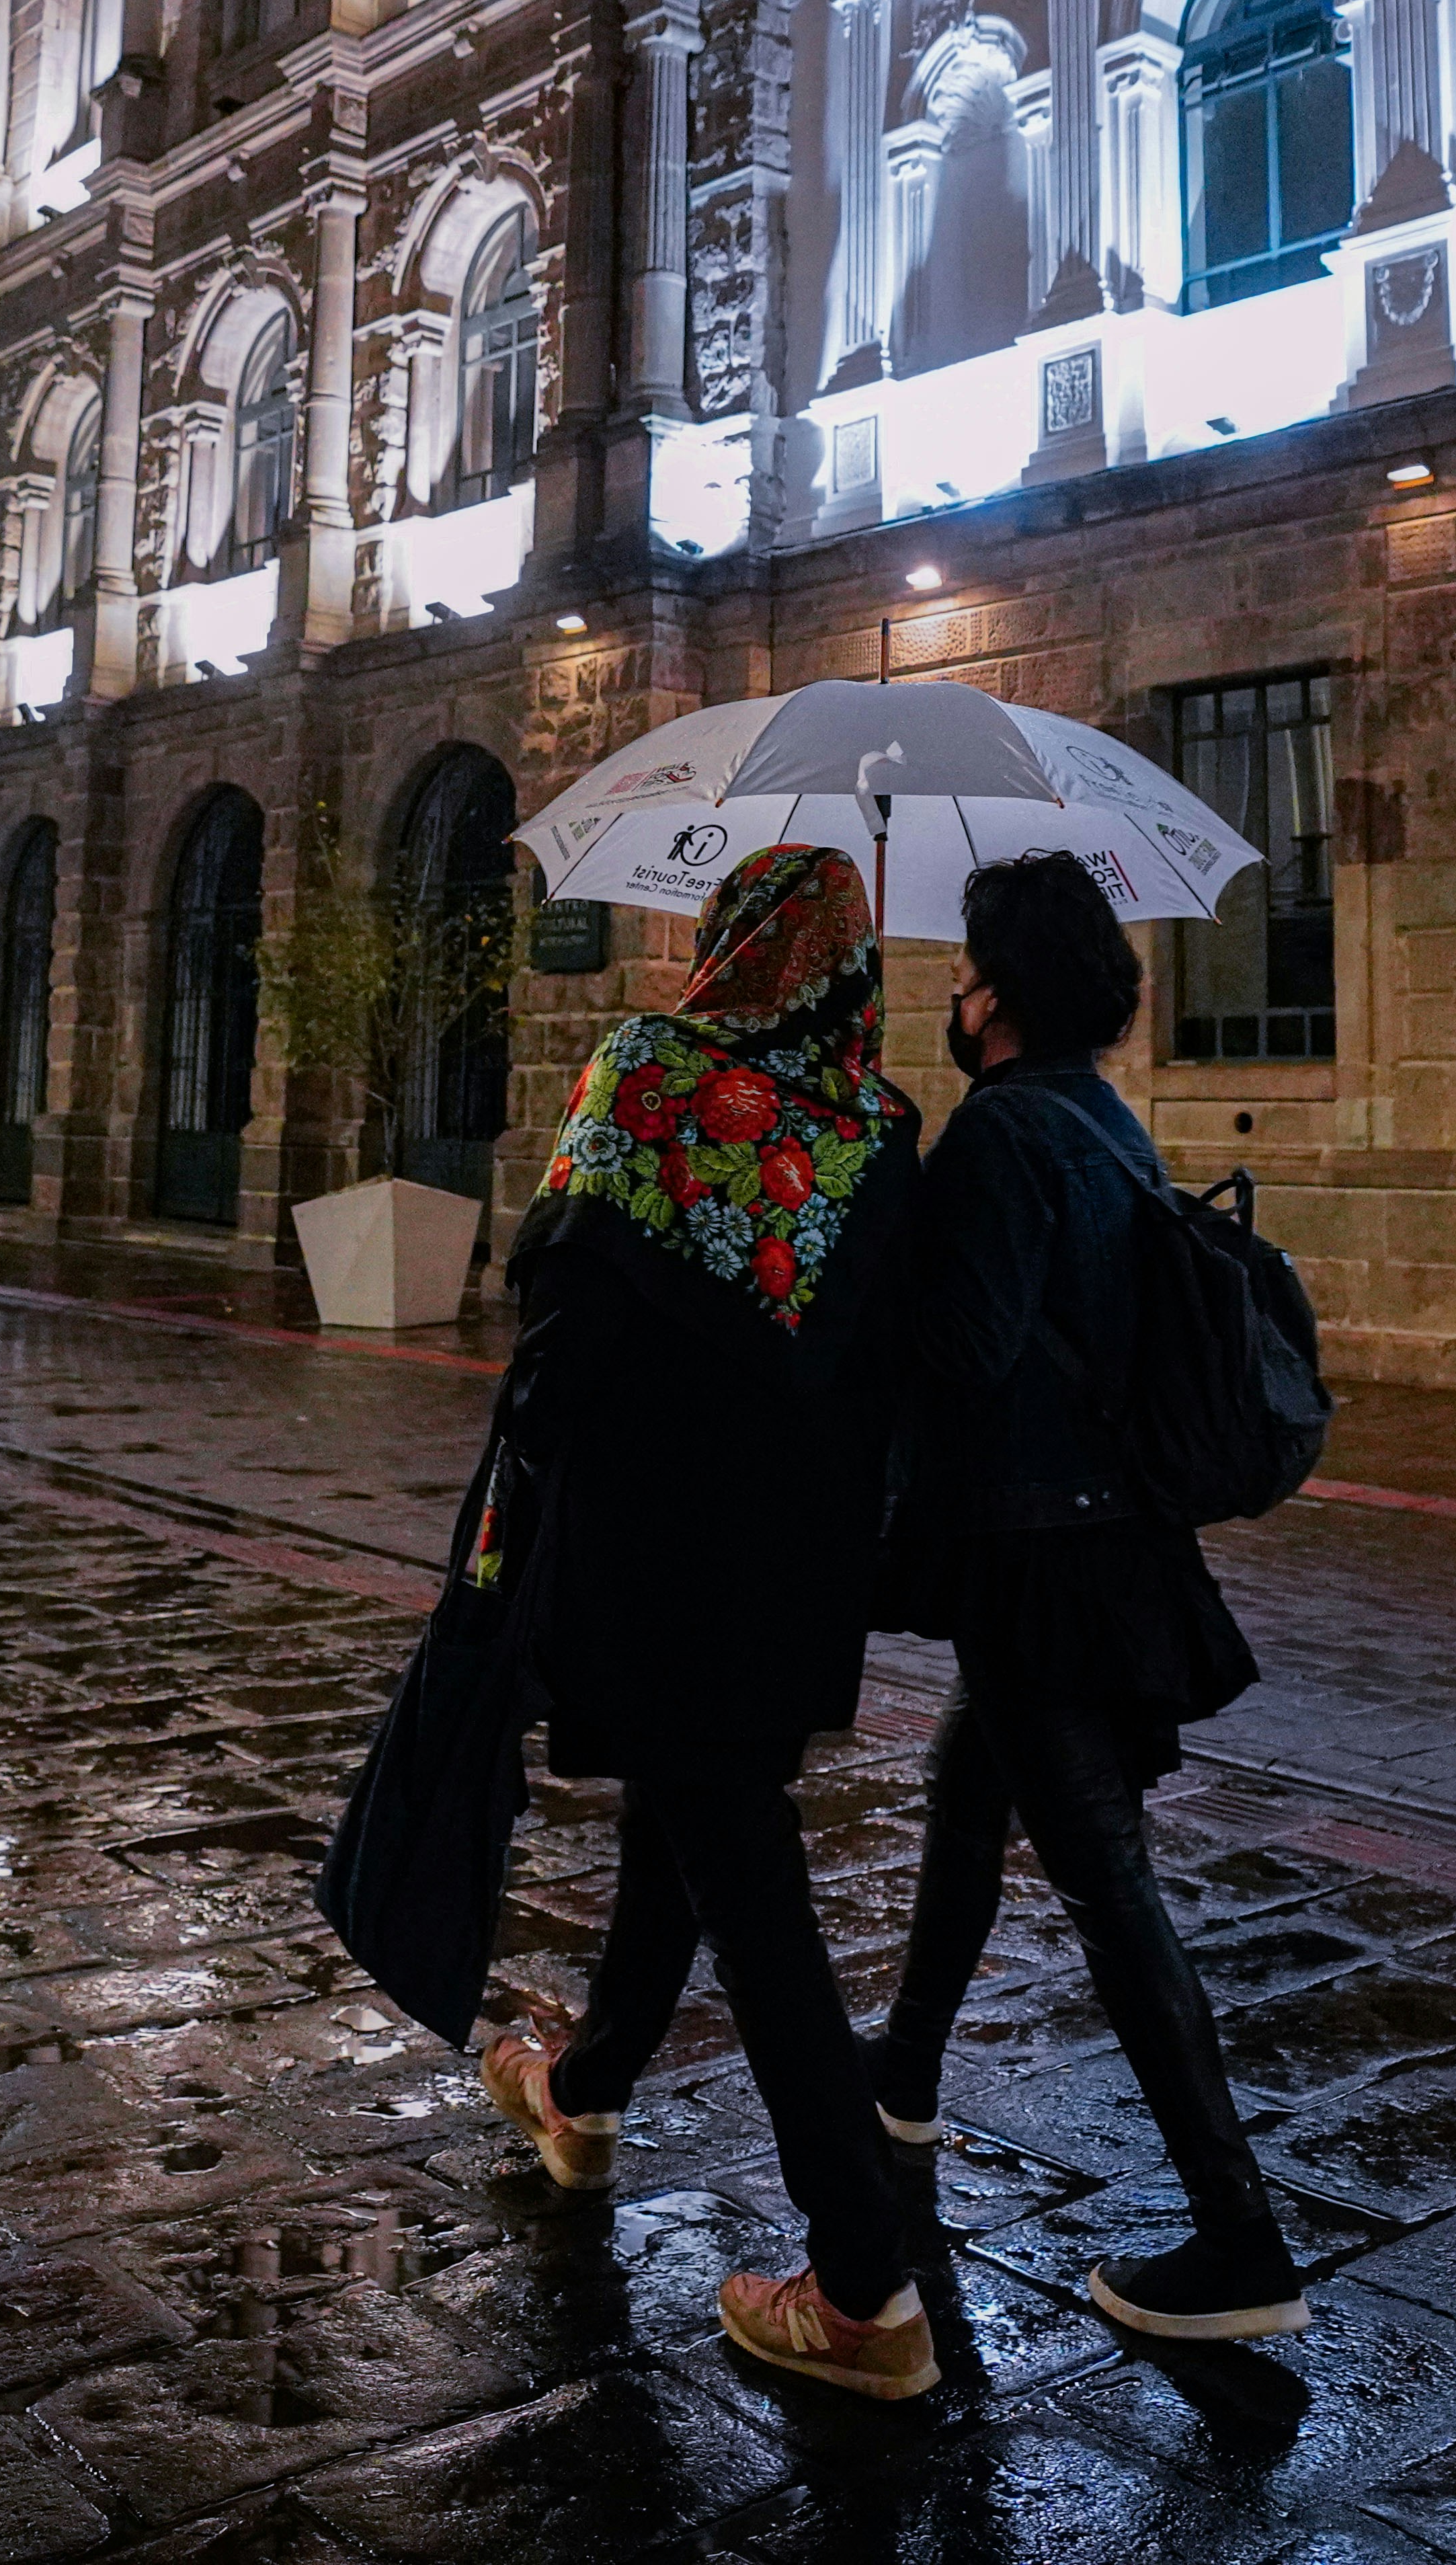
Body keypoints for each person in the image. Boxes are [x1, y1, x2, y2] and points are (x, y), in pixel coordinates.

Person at [460, 841, 941, 2404]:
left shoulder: (648, 1071)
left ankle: (867, 2277)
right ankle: (583, 2091)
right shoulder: (883, 1124)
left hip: (649, 1543)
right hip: (796, 1573)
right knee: (696, 1809)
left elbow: (559, 1312)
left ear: (733, 942)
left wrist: (517, 1492)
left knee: (750, 1875)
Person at [864, 849, 1305, 2342]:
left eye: (968, 964)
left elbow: (963, 1352)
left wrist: (881, 1214)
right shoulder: (1098, 1116)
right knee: (961, 1780)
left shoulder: (998, 1135)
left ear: (998, 996)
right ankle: (904, 2075)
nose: (953, 986)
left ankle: (1240, 2241)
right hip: (1097, 1541)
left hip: (1045, 1562)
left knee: (1111, 1893)